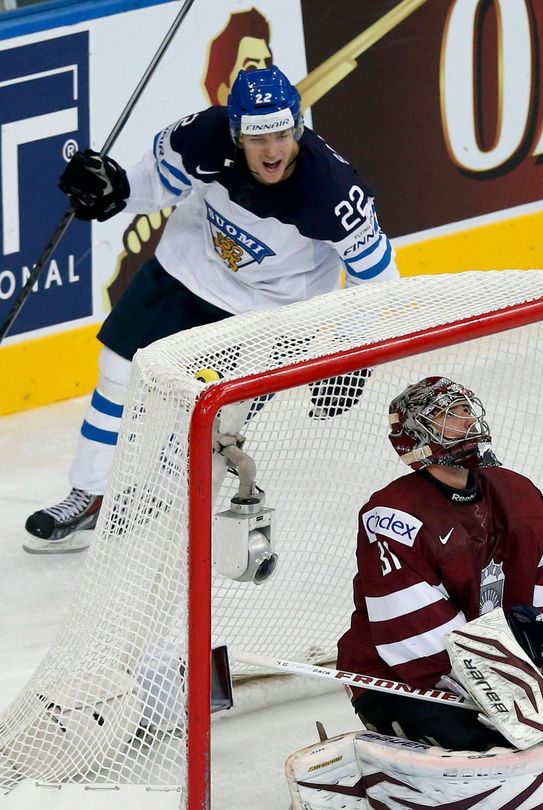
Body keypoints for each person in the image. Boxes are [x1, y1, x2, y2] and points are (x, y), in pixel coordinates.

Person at [24, 65, 399, 553]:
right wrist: (114, 189)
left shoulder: (331, 190)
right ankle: (89, 494)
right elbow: (153, 185)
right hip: (190, 270)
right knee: (117, 371)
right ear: (235, 133)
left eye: (283, 134)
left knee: (213, 417)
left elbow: (378, 279)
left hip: (273, 310)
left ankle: (164, 515)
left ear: (297, 128)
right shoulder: (201, 137)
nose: (272, 151)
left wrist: (352, 352)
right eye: (257, 138)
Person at [336, 375, 543, 751]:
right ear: (418, 435)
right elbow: (415, 641)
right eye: (449, 414)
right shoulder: (394, 517)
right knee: (489, 743)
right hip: (402, 679)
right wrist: (510, 694)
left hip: (503, 668)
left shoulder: (516, 493)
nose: (468, 420)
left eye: (466, 409)